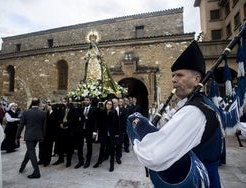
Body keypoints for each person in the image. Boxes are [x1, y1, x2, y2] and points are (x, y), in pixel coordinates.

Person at [129, 41, 223, 187]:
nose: (173, 80)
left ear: (196, 79)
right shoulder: (204, 103)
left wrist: (139, 125)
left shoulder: (194, 111)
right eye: (173, 76)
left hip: (199, 181)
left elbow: (155, 154)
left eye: (179, 75)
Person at [16, 98, 47, 179]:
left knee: (31, 152)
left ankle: (36, 172)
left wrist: (17, 136)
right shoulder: (43, 113)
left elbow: (21, 125)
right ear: (39, 103)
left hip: (29, 136)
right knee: (30, 151)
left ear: (31, 103)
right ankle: (22, 166)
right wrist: (43, 136)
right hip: (38, 136)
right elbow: (44, 127)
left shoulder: (26, 112)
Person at [93, 99, 118, 172]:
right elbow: (98, 122)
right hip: (104, 133)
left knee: (112, 149)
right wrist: (95, 131)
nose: (109, 105)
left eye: (110, 104)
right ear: (105, 104)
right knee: (102, 148)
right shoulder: (102, 112)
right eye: (107, 104)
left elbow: (117, 123)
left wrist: (117, 134)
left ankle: (111, 165)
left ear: (112, 105)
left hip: (111, 134)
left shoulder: (114, 112)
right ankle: (99, 162)